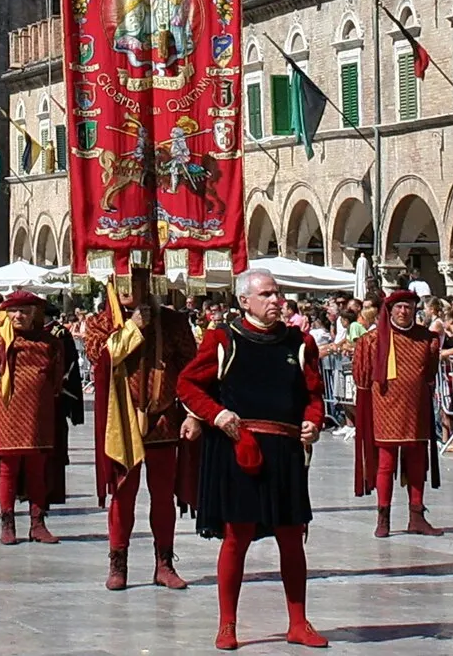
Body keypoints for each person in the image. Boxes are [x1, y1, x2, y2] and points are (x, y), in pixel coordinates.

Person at [177, 268, 326, 652]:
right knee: (237, 536)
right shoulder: (224, 339)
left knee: (292, 537)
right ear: (245, 301)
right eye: (267, 294)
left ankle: (298, 622)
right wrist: (215, 414)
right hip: (239, 448)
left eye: (277, 293)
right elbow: (189, 384)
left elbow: (313, 395)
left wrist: (312, 422)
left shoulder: (299, 342)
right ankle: (227, 625)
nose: (276, 300)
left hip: (286, 451)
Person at [83, 276, 199, 590]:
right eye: (119, 283)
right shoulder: (100, 323)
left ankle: (164, 563)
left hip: (163, 420)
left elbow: (192, 368)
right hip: (121, 421)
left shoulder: (173, 322)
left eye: (131, 283)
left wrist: (192, 413)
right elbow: (100, 357)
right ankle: (118, 562)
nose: (125, 290)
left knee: (163, 496)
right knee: (123, 495)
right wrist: (132, 328)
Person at [0, 291, 73, 546]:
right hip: (8, 411)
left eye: (25, 312)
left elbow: (56, 379)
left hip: (40, 412)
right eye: (14, 311)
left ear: (34, 315)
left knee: (37, 468)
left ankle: (38, 524)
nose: (19, 316)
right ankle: (8, 524)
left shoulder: (50, 343)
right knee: (9, 466)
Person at [351, 287, 442, 538]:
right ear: (389, 310)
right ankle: (383, 518)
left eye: (409, 307)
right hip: (384, 408)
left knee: (416, 463)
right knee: (385, 464)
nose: (404, 311)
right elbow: (363, 377)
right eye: (399, 307)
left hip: (416, 408)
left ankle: (416, 516)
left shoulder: (427, 339)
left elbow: (430, 373)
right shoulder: (372, 340)